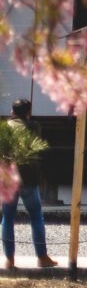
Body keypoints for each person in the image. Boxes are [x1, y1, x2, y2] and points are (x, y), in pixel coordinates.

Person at [3, 99, 57, 269]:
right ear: (28, 112)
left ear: (12, 111)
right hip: (29, 178)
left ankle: (9, 259)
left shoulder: (5, 127)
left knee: (8, 218)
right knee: (35, 216)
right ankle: (42, 257)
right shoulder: (34, 126)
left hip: (9, 178)